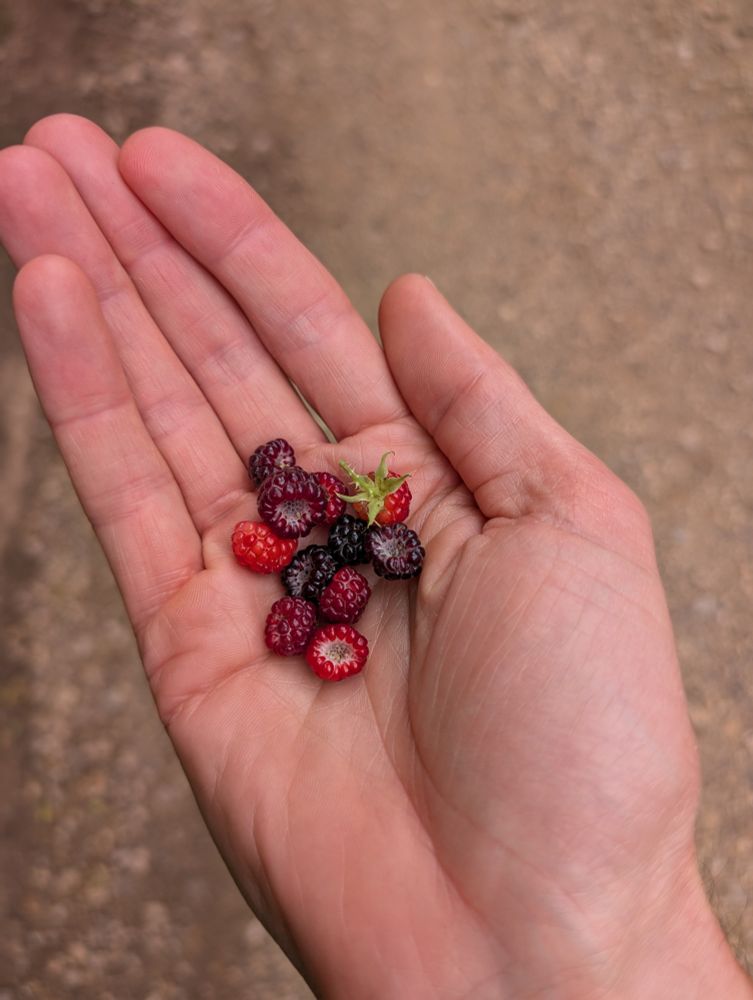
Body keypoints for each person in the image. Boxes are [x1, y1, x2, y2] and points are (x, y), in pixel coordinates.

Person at [0, 113, 749, 999]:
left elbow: (326, 566)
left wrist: (617, 937)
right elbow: (304, 563)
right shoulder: (312, 548)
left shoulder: (345, 557)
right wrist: (612, 951)